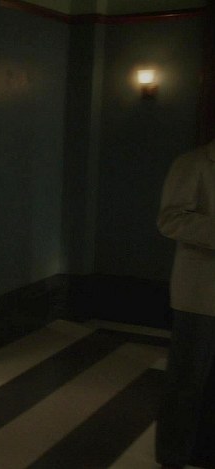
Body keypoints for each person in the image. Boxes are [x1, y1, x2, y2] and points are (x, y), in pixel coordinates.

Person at [155, 138, 215, 469]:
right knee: (186, 379)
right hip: (200, 292)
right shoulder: (192, 163)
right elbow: (170, 219)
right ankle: (172, 455)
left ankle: (204, 451)